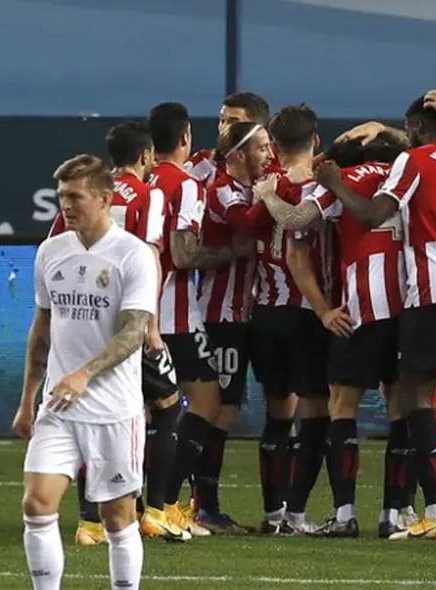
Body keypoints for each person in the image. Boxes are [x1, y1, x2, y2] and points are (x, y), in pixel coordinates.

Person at [322, 97, 436, 540]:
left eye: (410, 129)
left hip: (431, 291)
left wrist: (336, 184)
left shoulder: (414, 161)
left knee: (417, 397)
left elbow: (373, 213)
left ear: (420, 128)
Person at [257, 132, 418, 538]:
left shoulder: (346, 178)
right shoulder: (407, 174)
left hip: (361, 308)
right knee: (401, 408)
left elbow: (296, 220)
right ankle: (395, 514)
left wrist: (268, 196)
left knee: (342, 407)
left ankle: (345, 514)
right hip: (408, 306)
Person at [14, 154, 160, 589]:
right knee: (37, 506)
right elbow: (42, 329)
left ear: (105, 199)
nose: (66, 205)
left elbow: (134, 332)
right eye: (61, 196)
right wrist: (27, 400)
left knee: (117, 517)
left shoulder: (133, 255)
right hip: (58, 406)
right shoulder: (51, 252)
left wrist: (85, 374)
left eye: (75, 196)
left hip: (114, 410)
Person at [46, 123, 189, 544]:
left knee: (89, 414)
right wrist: (152, 328)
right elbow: (150, 254)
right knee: (168, 407)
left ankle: (89, 522)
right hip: (127, 324)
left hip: (82, 323)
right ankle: (155, 511)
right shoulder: (149, 194)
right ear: (146, 156)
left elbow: (60, 248)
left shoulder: (82, 195)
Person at [147, 102, 251, 537]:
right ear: (185, 137)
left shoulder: (138, 181)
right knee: (207, 403)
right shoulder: (185, 183)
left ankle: (126, 506)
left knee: (146, 411)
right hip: (173, 314)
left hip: (134, 312)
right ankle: (166, 505)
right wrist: (231, 252)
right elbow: (184, 253)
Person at [250, 105, 349, 535]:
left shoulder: (260, 183)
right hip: (308, 312)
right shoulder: (316, 185)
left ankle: (273, 512)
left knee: (277, 415)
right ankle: (294, 513)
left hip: (264, 312)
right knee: (315, 414)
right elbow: (298, 251)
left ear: (273, 145)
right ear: (315, 140)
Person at [191, 121, 273, 534]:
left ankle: (199, 505)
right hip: (218, 316)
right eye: (262, 148)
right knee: (217, 412)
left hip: (243, 316)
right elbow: (251, 224)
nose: (270, 155)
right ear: (238, 154)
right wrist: (276, 192)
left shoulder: (246, 188)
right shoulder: (223, 189)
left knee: (225, 410)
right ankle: (201, 506)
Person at [187, 92, 272, 186]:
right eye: (222, 120)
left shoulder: (275, 171)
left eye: (233, 122)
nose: (223, 127)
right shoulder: (204, 162)